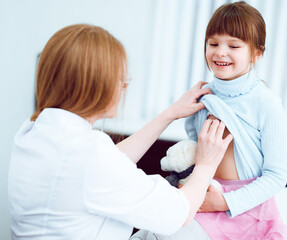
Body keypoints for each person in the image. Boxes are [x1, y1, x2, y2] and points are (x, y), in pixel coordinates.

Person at [7, 24, 233, 240]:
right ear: (97, 84)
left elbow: (108, 164)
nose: (124, 86)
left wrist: (170, 114)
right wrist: (206, 164)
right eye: (121, 80)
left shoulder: (36, 130)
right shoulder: (89, 154)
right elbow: (178, 212)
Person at [132, 1, 287, 239]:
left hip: (242, 211)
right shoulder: (203, 97)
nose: (220, 52)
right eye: (213, 43)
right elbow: (197, 152)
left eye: (233, 45)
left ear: (257, 53)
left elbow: (276, 176)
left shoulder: (266, 103)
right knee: (144, 233)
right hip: (204, 194)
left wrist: (224, 202)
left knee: (169, 235)